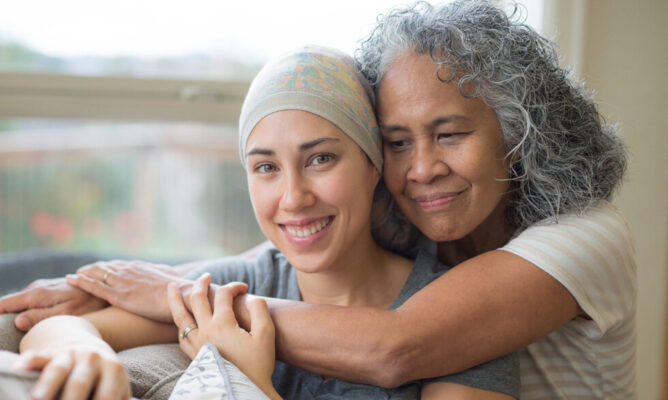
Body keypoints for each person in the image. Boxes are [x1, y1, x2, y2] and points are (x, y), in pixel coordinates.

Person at [0, 1, 635, 399]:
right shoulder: (420, 222)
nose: (420, 169)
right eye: (395, 141)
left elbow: (397, 345)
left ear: (519, 134)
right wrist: (89, 317)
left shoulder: (585, 236)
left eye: (450, 134)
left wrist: (237, 374)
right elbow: (273, 251)